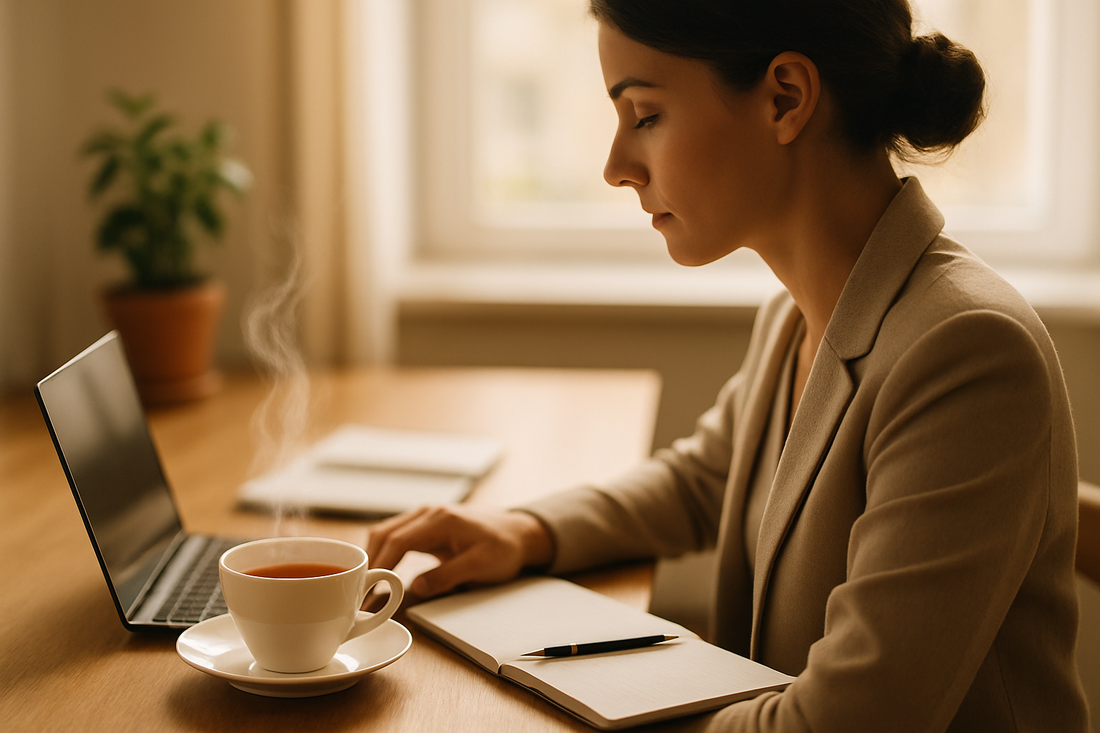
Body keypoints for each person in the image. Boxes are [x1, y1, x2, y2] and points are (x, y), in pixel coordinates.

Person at [368, 1, 1090, 730]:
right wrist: (525, 530)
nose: (616, 167)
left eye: (645, 115)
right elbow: (707, 478)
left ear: (786, 97)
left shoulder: (966, 350)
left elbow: (850, 719)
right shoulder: (800, 312)